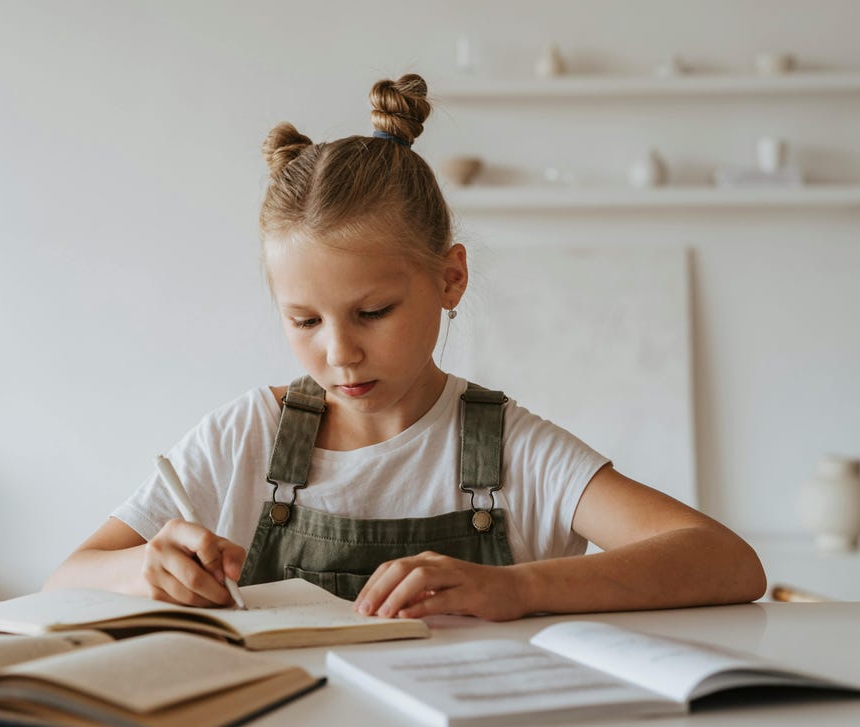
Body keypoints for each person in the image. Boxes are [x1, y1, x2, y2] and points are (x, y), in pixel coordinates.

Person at [45, 73, 766, 621]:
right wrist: (144, 568)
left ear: (450, 278)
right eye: (304, 321)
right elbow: (66, 576)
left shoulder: (510, 448)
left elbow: (727, 562)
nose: (340, 353)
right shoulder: (247, 437)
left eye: (372, 311)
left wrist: (515, 586)